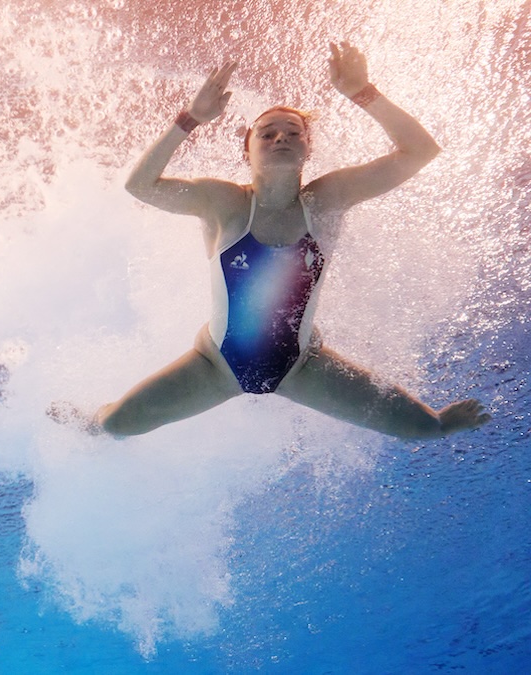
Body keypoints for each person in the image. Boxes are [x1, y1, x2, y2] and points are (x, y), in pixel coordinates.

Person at [53, 41, 490, 439]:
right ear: (248, 152)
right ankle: (87, 421)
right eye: (267, 133)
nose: (281, 136)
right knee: (114, 425)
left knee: (425, 430)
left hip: (302, 367)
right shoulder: (222, 202)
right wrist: (190, 120)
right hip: (215, 366)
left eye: (293, 132)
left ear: (307, 149)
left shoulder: (325, 200)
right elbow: (141, 186)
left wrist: (363, 92)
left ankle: (436, 423)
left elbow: (420, 151)